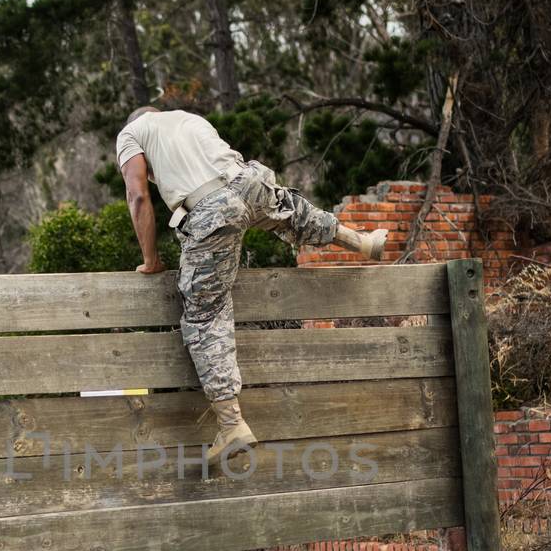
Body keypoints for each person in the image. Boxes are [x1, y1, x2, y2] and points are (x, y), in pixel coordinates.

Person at [116, 105, 387, 460]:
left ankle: (231, 425)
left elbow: (138, 195)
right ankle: (361, 242)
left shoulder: (132, 133)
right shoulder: (186, 118)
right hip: (250, 181)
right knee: (288, 209)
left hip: (212, 208)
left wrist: (151, 261)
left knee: (203, 314)